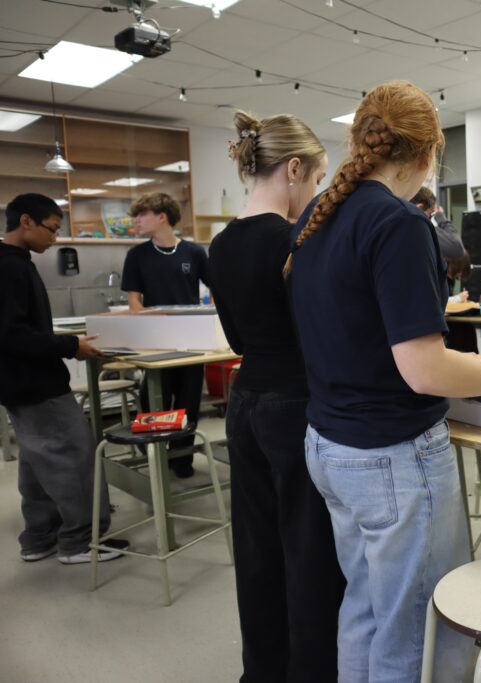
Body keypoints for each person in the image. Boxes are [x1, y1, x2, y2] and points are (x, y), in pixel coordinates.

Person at [286, 80, 481, 682]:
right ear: (426, 154)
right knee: (415, 628)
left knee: (366, 609)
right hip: (392, 458)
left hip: (330, 446)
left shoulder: (318, 215)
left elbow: (372, 344)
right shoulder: (399, 223)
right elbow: (423, 371)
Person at [207, 112, 345, 682]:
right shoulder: (295, 242)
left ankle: (262, 672)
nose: (315, 192)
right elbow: (320, 334)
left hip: (245, 402)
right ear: (293, 169)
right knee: (309, 553)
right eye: (315, 179)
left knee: (258, 549)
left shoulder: (218, 245)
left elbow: (237, 340)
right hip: (296, 406)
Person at [0, 193, 129, 565]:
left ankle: (39, 537)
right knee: (73, 456)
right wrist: (71, 346)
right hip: (36, 383)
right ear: (26, 221)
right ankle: (80, 541)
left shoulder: (14, 263)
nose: (55, 238)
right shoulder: (11, 268)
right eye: (52, 229)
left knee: (37, 459)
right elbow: (12, 334)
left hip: (18, 383)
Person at [121, 192, 208, 478]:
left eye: (141, 214)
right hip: (156, 345)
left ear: (162, 217)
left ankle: (182, 460)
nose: (136, 220)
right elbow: (134, 303)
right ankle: (156, 457)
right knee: (153, 401)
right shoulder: (137, 256)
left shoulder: (194, 253)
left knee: (188, 403)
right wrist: (153, 323)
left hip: (191, 344)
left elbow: (216, 289)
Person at [412, 185, 464, 263]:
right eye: (431, 214)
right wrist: (440, 216)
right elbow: (456, 247)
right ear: (420, 208)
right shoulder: (419, 228)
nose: (429, 219)